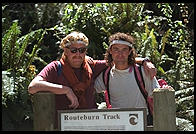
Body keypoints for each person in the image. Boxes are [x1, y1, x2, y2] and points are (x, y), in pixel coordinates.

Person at [28, 31, 156, 129]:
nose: (78, 54)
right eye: (73, 50)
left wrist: (145, 61)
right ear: (65, 51)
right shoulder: (55, 68)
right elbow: (33, 87)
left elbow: (120, 59)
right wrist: (65, 90)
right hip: (64, 126)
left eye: (82, 50)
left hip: (91, 124)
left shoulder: (92, 66)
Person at [94, 32, 161, 125]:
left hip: (143, 122)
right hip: (118, 123)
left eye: (124, 49)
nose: (120, 53)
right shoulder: (106, 75)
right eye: (116, 49)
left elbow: (157, 97)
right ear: (110, 51)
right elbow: (90, 90)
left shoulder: (142, 72)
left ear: (129, 52)